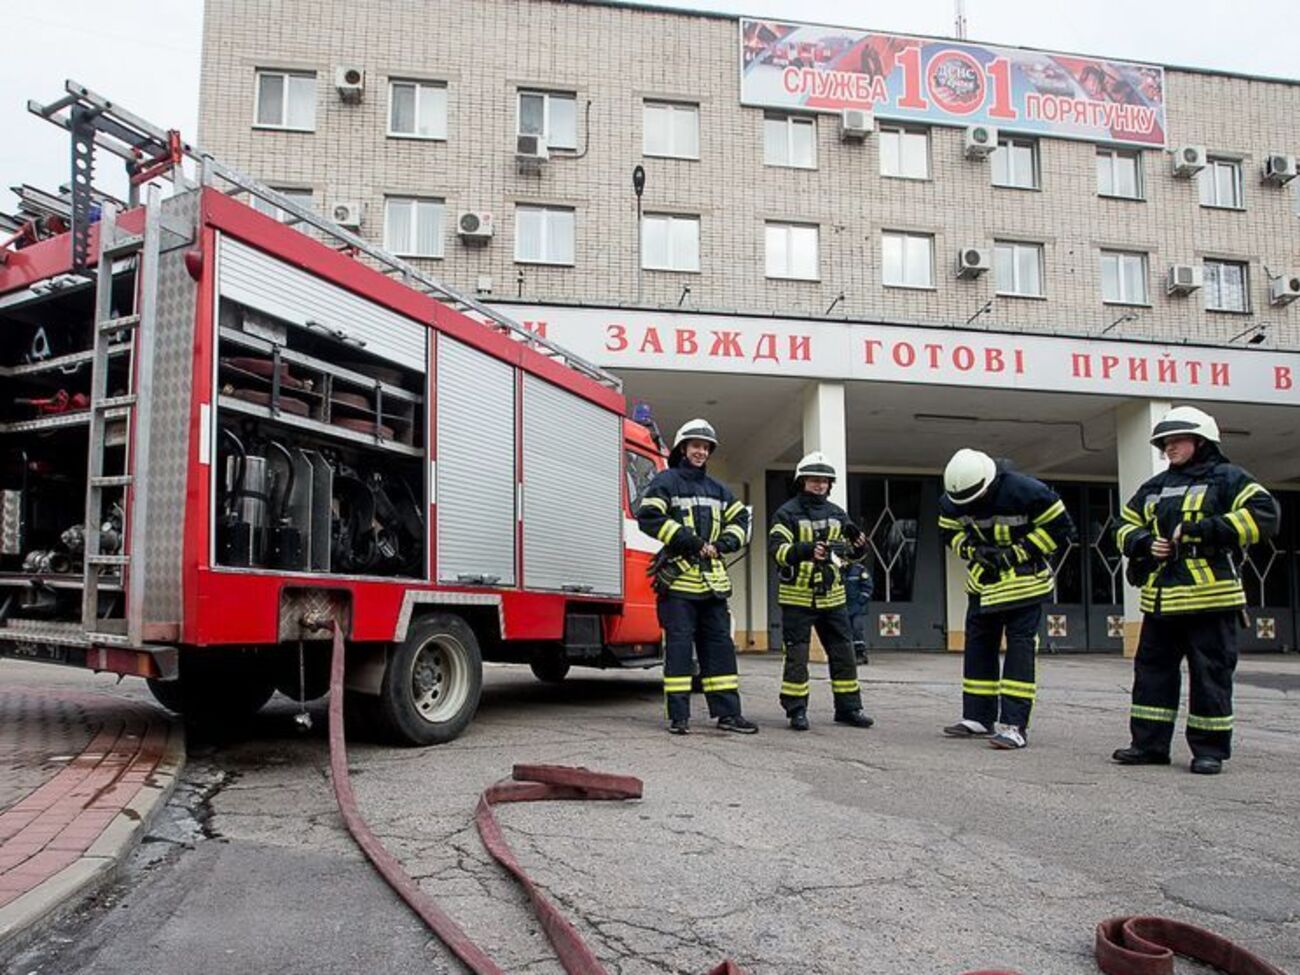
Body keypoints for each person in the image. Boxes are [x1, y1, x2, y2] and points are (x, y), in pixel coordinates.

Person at [1112, 406, 1279, 775]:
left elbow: (1265, 515)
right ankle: (1148, 745)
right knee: (1152, 675)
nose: (1168, 448)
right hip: (1160, 600)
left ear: (1200, 441)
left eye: (1176, 441)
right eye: (1165, 443)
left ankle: (1209, 750)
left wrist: (1204, 530)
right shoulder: (1155, 486)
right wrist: (1142, 542)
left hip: (1211, 600)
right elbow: (1122, 525)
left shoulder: (1228, 478)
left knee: (1210, 676)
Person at [937, 449, 1074, 750]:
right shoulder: (955, 497)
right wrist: (973, 551)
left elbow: (1061, 529)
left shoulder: (1027, 491)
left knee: (1019, 654)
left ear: (988, 483)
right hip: (983, 585)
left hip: (1024, 585)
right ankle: (977, 717)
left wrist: (1017, 553)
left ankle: (1014, 726)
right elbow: (948, 531)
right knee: (978, 648)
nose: (969, 507)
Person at [636, 418, 758, 736]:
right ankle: (679, 716)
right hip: (678, 584)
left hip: (713, 584)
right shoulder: (666, 481)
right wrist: (688, 542)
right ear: (683, 448)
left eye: (705, 447)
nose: (701, 452)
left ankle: (728, 714)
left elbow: (742, 520)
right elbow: (648, 516)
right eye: (695, 446)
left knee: (720, 648)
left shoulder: (718, 489)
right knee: (678, 649)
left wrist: (722, 544)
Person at [768, 451, 874, 731]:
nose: (819, 485)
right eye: (814, 480)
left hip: (833, 597)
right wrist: (806, 550)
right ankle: (796, 711)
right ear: (802, 481)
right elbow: (777, 550)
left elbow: (850, 556)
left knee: (844, 653)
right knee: (797, 658)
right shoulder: (786, 513)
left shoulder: (838, 514)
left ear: (830, 484)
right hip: (797, 598)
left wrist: (859, 547)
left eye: (824, 481)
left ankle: (850, 708)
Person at [844, 558, 873, 665]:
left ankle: (860, 654)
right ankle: (847, 655)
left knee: (857, 630)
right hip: (843, 607)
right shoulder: (837, 570)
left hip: (857, 608)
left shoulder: (859, 570)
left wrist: (860, 602)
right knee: (844, 632)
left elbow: (867, 588)